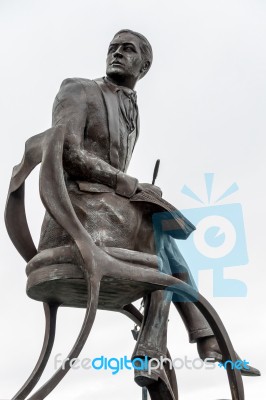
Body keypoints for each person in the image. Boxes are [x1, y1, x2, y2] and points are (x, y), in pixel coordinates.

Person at [9, 29, 259, 398]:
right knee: (161, 247)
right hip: (75, 218)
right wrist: (128, 183)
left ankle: (166, 349)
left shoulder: (132, 108)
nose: (117, 54)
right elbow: (67, 154)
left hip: (109, 217)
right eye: (113, 48)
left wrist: (140, 190)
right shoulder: (77, 89)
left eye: (128, 50)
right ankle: (186, 344)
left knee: (160, 247)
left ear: (144, 65)